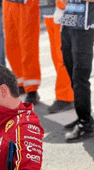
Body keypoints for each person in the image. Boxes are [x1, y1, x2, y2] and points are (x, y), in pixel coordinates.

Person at [60, 0, 94, 142]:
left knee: (80, 75)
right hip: (69, 20)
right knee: (70, 69)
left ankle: (85, 123)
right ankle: (84, 114)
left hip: (86, 24)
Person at [3, 0, 41, 104]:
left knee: (28, 45)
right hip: (9, 3)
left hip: (27, 3)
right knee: (11, 45)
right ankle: (20, 83)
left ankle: (32, 88)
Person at [40, 0, 74, 113]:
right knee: (57, 55)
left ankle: (65, 96)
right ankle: (70, 93)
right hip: (49, 9)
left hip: (62, 10)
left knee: (62, 56)